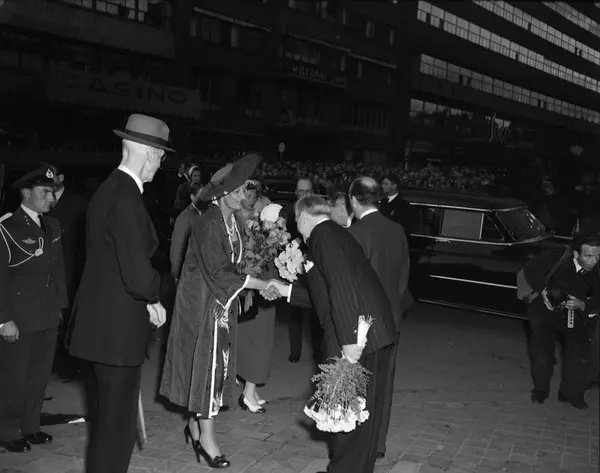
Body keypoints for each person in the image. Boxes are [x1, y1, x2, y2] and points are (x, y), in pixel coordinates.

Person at [66, 114, 169, 473]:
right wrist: (155, 294)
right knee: (117, 432)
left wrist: (147, 298)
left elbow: (110, 263)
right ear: (149, 153)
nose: (160, 164)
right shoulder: (127, 199)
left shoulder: (108, 190)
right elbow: (138, 276)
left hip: (101, 327)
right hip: (117, 334)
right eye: (161, 156)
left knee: (109, 426)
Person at [160, 153, 275, 469]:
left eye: (244, 189)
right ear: (222, 194)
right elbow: (220, 271)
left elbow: (237, 263)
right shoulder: (208, 222)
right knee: (207, 369)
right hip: (202, 306)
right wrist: (259, 284)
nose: (243, 196)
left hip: (220, 305)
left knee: (214, 369)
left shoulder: (233, 221)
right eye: (237, 191)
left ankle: (195, 426)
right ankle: (207, 440)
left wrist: (257, 278)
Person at [267, 195, 396, 473]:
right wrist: (286, 290)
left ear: (303, 216)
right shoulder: (334, 233)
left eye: (296, 220)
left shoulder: (323, 236)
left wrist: (349, 342)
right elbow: (326, 293)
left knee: (347, 416)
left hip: (357, 337)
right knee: (359, 417)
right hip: (371, 333)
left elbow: (342, 286)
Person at [0, 166, 68, 453]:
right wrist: (3, 319)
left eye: (52, 192)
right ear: (26, 193)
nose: (50, 198)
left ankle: (31, 426)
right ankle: (8, 431)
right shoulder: (7, 227)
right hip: (19, 316)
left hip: (47, 313)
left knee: (39, 376)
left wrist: (60, 306)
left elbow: (58, 270)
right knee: (14, 377)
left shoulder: (52, 225)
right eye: (44, 192)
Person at [347, 177, 413, 460]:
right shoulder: (396, 229)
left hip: (363, 323)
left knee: (359, 384)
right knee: (383, 384)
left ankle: (359, 442)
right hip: (392, 318)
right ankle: (378, 444)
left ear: (353, 200)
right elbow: (403, 274)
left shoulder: (354, 233)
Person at [523, 233, 600, 410]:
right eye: (589, 256)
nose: (594, 261)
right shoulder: (557, 254)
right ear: (576, 254)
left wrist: (583, 304)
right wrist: (543, 290)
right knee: (542, 353)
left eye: (598, 256)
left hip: (573, 312)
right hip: (544, 310)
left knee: (580, 352)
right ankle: (541, 389)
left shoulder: (597, 267)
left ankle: (570, 393)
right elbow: (531, 269)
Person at [236, 180, 275, 412]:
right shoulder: (233, 221)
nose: (250, 200)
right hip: (248, 288)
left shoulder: (263, 218)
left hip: (263, 284)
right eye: (246, 195)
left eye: (254, 196)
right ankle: (248, 392)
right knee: (254, 342)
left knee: (261, 341)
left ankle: (251, 389)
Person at [283, 178, 323, 363]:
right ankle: (295, 351)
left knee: (317, 312)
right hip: (292, 265)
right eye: (301, 191)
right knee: (295, 311)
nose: (304, 195)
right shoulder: (288, 212)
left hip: (314, 265)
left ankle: (318, 352)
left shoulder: (319, 212)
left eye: (308, 191)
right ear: (296, 192)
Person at [170, 182, 205, 282]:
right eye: (201, 196)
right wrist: (176, 275)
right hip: (187, 272)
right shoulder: (184, 218)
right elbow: (177, 249)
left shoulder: (206, 213)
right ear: (192, 197)